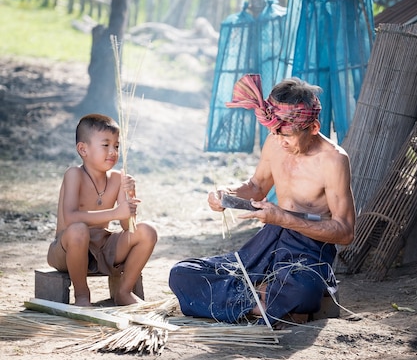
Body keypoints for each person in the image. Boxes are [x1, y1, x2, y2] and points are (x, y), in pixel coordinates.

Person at [169, 74, 356, 327]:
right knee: (183, 273)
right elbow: (256, 186)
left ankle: (257, 297)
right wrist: (227, 195)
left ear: (313, 128)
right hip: (268, 241)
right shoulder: (276, 140)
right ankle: (262, 303)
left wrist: (285, 219)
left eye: (287, 135)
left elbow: (345, 232)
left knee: (301, 290)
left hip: (309, 250)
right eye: (274, 133)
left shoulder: (334, 160)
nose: (280, 141)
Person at [47, 113, 157, 307]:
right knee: (79, 230)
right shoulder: (74, 174)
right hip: (66, 248)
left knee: (147, 231)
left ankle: (124, 291)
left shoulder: (117, 178)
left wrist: (130, 194)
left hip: (102, 247)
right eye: (105, 145)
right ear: (83, 149)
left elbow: (126, 225)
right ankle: (81, 294)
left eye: (116, 146)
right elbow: (71, 218)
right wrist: (114, 213)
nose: (113, 151)